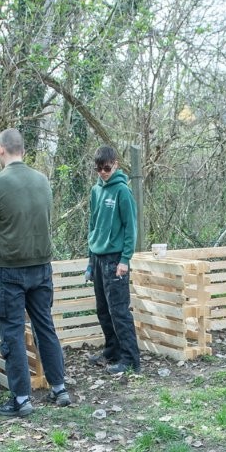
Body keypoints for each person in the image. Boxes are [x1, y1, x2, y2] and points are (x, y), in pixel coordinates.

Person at [0, 128, 70, 417]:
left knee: (13, 333)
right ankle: (59, 388)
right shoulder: (43, 181)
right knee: (45, 327)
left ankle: (21, 399)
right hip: (42, 267)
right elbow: (42, 219)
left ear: (1, 150)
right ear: (23, 151)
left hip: (11, 270)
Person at [86, 146, 141, 375]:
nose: (103, 172)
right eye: (98, 168)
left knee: (119, 311)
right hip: (98, 258)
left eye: (107, 168)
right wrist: (90, 262)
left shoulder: (122, 191)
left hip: (115, 259)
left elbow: (131, 228)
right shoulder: (95, 191)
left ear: (115, 164)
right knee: (103, 309)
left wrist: (125, 259)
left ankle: (131, 359)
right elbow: (92, 227)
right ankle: (112, 350)